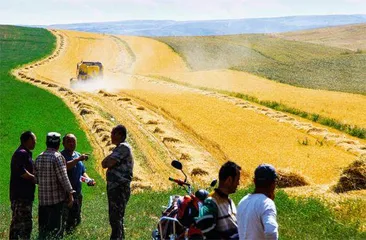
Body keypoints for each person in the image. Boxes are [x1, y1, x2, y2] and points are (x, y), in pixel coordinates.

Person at [34, 132, 74, 239]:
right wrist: (70, 194)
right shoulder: (58, 157)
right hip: (56, 202)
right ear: (59, 144)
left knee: (43, 231)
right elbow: (64, 178)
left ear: (46, 142)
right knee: (55, 231)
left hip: (42, 202)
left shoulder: (39, 157)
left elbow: (36, 179)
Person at [102, 125, 134, 240]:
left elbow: (108, 163)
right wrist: (107, 161)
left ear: (120, 135)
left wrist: (108, 161)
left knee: (115, 218)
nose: (111, 136)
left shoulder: (123, 147)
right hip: (116, 187)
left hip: (119, 187)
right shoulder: (119, 148)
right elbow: (103, 163)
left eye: (113, 133)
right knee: (117, 218)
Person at [195, 161, 241, 239]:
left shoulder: (229, 201)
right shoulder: (211, 202)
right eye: (237, 180)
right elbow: (205, 228)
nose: (238, 183)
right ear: (229, 180)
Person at [61, 133, 95, 233]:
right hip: (66, 195)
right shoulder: (61, 156)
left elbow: (81, 173)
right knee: (66, 220)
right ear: (63, 143)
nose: (71, 143)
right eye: (69, 141)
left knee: (76, 218)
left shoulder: (77, 154)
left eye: (73, 141)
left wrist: (88, 180)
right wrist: (78, 160)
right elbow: (65, 167)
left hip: (77, 193)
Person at [237, 164, 279, 240]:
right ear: (273, 184)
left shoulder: (243, 201)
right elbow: (271, 232)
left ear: (254, 181)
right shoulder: (267, 204)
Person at [9, 131, 37, 240]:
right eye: (34, 140)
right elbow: (21, 171)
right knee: (20, 225)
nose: (35, 142)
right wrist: (34, 178)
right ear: (28, 140)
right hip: (21, 196)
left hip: (24, 196)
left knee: (23, 224)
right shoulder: (21, 153)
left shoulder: (25, 153)